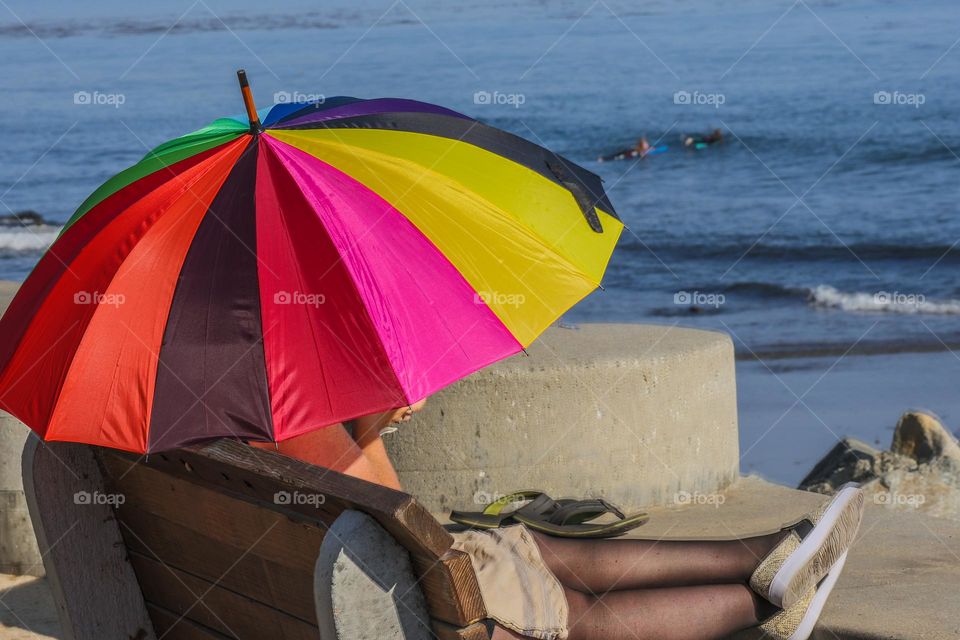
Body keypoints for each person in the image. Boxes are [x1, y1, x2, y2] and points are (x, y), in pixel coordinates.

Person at [252, 399, 863, 640]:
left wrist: (362, 430)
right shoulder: (287, 413)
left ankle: (762, 559)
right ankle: (766, 597)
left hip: (316, 602)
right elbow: (391, 518)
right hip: (401, 603)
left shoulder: (187, 438)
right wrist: (367, 428)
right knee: (567, 605)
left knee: (528, 547)